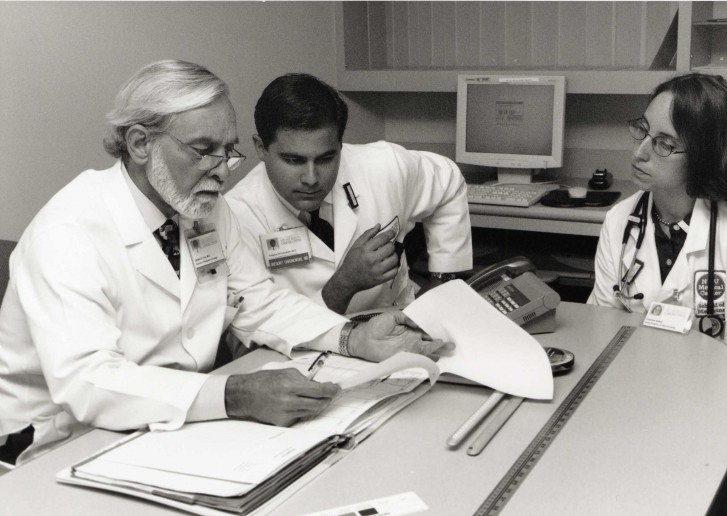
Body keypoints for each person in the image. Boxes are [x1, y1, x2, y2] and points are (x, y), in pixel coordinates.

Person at [0, 60, 452, 466]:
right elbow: (89, 382)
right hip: (58, 444)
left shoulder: (205, 211)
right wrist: (234, 394)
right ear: (140, 143)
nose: (222, 169)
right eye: (203, 150)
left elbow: (260, 301)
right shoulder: (69, 234)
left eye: (227, 150)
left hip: (171, 427)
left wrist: (353, 337)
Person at [588, 73, 727, 481]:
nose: (640, 152)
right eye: (643, 132)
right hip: (638, 417)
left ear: (705, 154)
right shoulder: (620, 221)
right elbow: (603, 326)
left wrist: (682, 400)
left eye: (664, 143)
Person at [225, 73, 473, 316]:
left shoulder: (383, 165)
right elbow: (255, 335)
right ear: (261, 148)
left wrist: (444, 280)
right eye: (293, 160)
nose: (311, 178)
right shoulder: (235, 218)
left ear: (341, 145)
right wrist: (344, 284)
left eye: (326, 158)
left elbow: (448, 180)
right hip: (307, 352)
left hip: (396, 321)